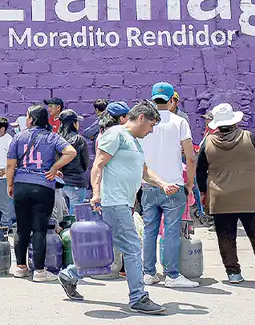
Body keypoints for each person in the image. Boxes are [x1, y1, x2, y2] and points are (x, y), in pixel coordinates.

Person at [57, 102, 172, 315]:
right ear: (141, 118)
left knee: (108, 247)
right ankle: (138, 297)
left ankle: (70, 274)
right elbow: (98, 165)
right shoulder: (115, 135)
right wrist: (96, 193)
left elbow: (145, 172)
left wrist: (163, 185)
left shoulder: (134, 142)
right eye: (151, 125)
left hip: (124, 203)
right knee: (132, 248)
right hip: (113, 201)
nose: (151, 130)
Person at [196, 103, 255, 285]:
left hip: (220, 198)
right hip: (249, 195)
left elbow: (200, 171)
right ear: (234, 121)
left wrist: (203, 191)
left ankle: (233, 273)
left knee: (225, 236)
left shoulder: (207, 142)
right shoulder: (248, 137)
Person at [6, 104, 77, 282]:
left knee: (22, 228)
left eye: (27, 116)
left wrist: (10, 185)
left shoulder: (18, 137)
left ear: (32, 119)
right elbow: (71, 152)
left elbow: (10, 165)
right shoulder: (52, 137)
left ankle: (20, 267)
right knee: (39, 229)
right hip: (43, 186)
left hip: (21, 185)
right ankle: (39, 271)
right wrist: (54, 167)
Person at [140, 82, 199, 288]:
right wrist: (189, 183)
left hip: (149, 184)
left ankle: (148, 273)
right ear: (172, 99)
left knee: (149, 230)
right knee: (171, 231)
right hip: (174, 185)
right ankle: (172, 275)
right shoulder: (179, 122)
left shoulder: (144, 122)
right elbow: (190, 157)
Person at [58, 109, 89, 214]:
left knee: (62, 216)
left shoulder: (57, 140)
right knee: (75, 216)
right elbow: (85, 164)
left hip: (60, 183)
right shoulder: (79, 140)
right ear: (74, 123)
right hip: (76, 182)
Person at [0, 116, 16, 229]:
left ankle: (7, 225)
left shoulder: (10, 141)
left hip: (4, 177)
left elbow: (15, 158)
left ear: (2, 129)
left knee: (4, 203)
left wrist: (6, 169)